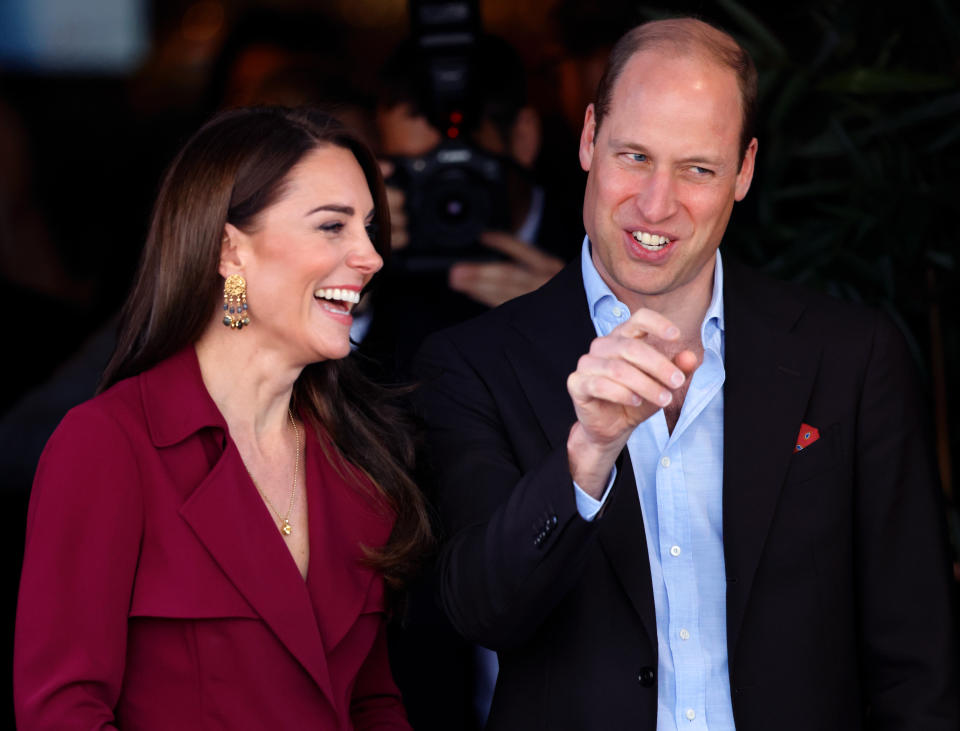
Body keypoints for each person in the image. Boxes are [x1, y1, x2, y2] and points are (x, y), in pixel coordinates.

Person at [413, 17, 959, 730]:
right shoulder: (470, 364)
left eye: (697, 168)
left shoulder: (851, 356)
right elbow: (479, 609)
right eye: (634, 156)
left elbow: (917, 657)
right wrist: (585, 459)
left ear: (745, 170)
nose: (656, 204)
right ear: (587, 139)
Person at [14, 106, 431, 729]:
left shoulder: (356, 460)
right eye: (332, 227)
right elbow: (62, 710)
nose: (370, 256)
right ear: (230, 251)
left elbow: (373, 703)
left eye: (369, 228)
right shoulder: (109, 445)